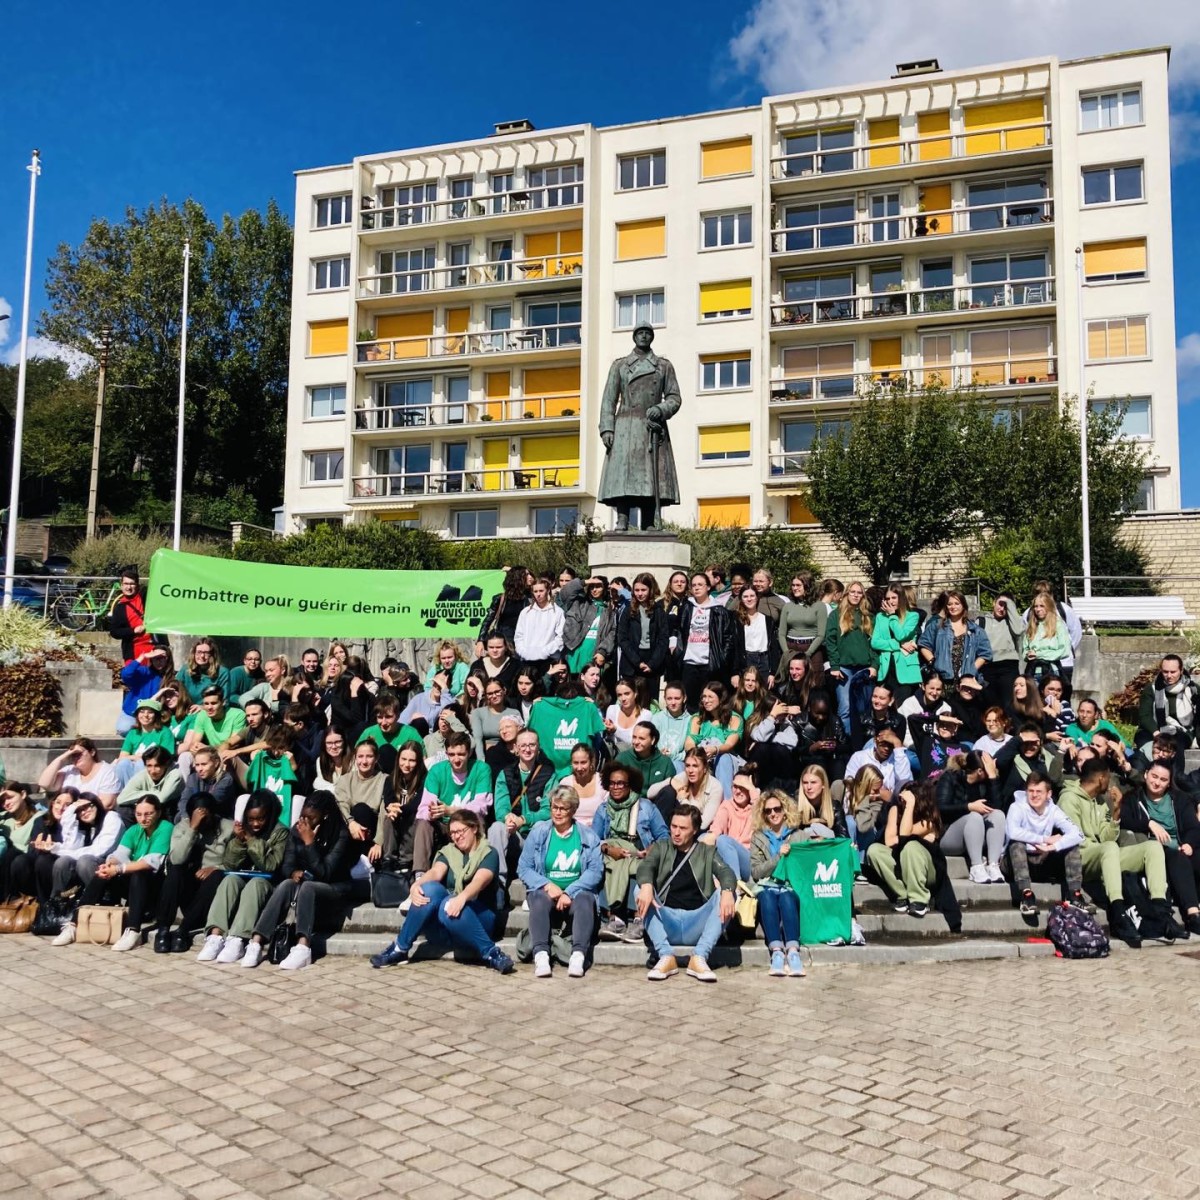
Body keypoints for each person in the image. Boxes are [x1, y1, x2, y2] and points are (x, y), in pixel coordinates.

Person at [370, 809, 514, 973]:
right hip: (447, 921)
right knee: (429, 889)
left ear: (474, 828)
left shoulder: (488, 853)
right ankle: (400, 949)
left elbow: (480, 881)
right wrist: (416, 885)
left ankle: (491, 953)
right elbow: (436, 872)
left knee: (448, 903)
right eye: (452, 833)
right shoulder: (449, 852)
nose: (456, 837)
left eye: (460, 831)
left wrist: (462, 898)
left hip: (480, 920)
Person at [1058, 759, 1174, 947]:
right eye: (1109, 778)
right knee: (1110, 848)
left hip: (1104, 854)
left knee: (1152, 847)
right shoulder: (1069, 799)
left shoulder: (1101, 801)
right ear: (1101, 778)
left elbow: (1107, 837)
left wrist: (1117, 810)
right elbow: (1073, 839)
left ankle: (1161, 911)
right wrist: (1103, 846)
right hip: (1080, 857)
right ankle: (1118, 911)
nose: (1111, 783)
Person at [244, 793, 357, 970]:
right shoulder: (296, 830)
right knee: (286, 884)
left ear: (325, 815)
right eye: (302, 816)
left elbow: (325, 873)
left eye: (310, 818)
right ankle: (256, 942)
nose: (304, 821)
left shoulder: (340, 834)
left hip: (334, 887)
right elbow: (286, 864)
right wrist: (293, 872)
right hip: (305, 883)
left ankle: (303, 947)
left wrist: (310, 843)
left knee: (308, 887)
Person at [635, 804, 737, 983]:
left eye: (683, 828)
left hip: (697, 922)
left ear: (695, 830)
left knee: (727, 893)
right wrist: (646, 885)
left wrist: (728, 890)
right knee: (640, 888)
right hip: (667, 919)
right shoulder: (661, 847)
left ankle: (699, 957)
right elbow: (646, 866)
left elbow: (726, 873)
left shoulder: (707, 851)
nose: (676, 832)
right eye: (674, 827)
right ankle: (666, 956)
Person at [598, 323, 681, 531]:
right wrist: (607, 428)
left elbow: (674, 397)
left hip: (651, 427)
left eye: (647, 333)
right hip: (625, 426)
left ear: (652, 337)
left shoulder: (663, 366)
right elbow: (609, 399)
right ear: (634, 337)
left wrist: (661, 409)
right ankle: (622, 519)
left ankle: (649, 521)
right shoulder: (620, 366)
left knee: (650, 477)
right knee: (623, 476)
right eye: (640, 333)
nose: (644, 337)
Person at [64, 796, 173, 951]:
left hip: (155, 885)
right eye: (139, 814)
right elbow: (120, 854)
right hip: (133, 885)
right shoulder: (134, 830)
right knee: (101, 874)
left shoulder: (165, 828)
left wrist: (118, 869)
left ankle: (133, 930)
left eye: (148, 814)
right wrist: (109, 865)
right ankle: (75, 923)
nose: (143, 819)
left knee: (139, 873)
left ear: (158, 812)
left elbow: (151, 862)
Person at [518, 785, 604, 978]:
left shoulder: (588, 836)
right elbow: (523, 868)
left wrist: (569, 892)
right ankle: (541, 955)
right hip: (547, 893)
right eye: (554, 807)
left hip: (574, 895)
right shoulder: (539, 832)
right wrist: (547, 885)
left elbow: (595, 871)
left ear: (573, 810)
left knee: (585, 899)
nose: (557, 812)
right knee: (538, 898)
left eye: (563, 808)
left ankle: (578, 955)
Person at [195, 791, 289, 964]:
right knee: (229, 880)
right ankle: (215, 937)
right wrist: (238, 842)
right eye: (251, 819)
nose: (255, 824)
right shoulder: (241, 829)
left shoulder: (280, 832)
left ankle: (238, 939)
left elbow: (270, 865)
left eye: (260, 819)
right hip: (242, 876)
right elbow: (230, 864)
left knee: (255, 884)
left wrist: (251, 840)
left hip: (268, 882)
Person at [863, 783, 961, 929]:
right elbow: (890, 841)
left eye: (907, 798)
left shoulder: (930, 817)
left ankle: (919, 900)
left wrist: (910, 807)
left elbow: (903, 836)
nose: (902, 800)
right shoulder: (895, 810)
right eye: (902, 797)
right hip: (902, 865)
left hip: (928, 871)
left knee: (911, 846)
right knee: (875, 849)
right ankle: (902, 895)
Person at [1120, 762, 1200, 936]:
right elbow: (1125, 821)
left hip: (1180, 846)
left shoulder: (1179, 799)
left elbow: (1194, 827)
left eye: (1163, 780)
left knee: (1191, 857)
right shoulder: (1133, 798)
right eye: (1154, 776)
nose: (1157, 783)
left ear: (1169, 782)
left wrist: (1188, 843)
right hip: (1154, 849)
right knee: (1178, 859)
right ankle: (1193, 914)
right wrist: (1148, 823)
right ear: (1146, 774)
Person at [594, 763, 668, 941]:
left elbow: (663, 835)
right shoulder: (603, 809)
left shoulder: (646, 807)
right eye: (612, 783)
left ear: (630, 785)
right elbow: (594, 840)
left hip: (639, 852)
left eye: (621, 783)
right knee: (604, 865)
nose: (616, 787)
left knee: (636, 867)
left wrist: (652, 848)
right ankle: (614, 919)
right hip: (613, 853)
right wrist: (608, 849)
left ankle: (638, 918)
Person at [153, 792, 233, 953]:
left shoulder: (229, 828)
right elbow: (176, 858)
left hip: (211, 896)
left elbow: (238, 863)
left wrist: (217, 868)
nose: (203, 821)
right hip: (189, 891)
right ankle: (163, 929)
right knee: (175, 871)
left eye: (206, 817)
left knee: (217, 876)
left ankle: (183, 930)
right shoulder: (183, 827)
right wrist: (193, 829)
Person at [1005, 772, 1085, 916]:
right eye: (1031, 791)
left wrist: (1053, 846)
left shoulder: (1053, 810)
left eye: (1039, 791)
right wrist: (1044, 839)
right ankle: (1026, 896)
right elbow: (1013, 832)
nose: (1034, 795)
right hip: (1014, 862)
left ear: (1049, 794)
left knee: (1071, 846)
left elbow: (1077, 834)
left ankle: (1074, 894)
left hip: (1042, 859)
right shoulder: (1017, 807)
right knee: (1017, 844)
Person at [411, 732, 493, 873]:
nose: (456, 759)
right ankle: (420, 873)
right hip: (442, 824)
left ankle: (472, 869)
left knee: (478, 819)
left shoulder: (481, 769)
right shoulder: (437, 771)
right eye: (451, 754)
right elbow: (423, 809)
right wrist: (432, 812)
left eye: (461, 754)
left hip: (468, 824)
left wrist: (452, 810)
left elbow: (481, 806)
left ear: (469, 753)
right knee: (423, 823)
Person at [749, 789, 808, 977]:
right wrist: (777, 857)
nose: (773, 813)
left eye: (777, 809)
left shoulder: (799, 835)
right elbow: (756, 872)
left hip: (791, 885)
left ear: (785, 810)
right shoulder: (758, 837)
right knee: (766, 897)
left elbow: (811, 860)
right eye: (768, 811)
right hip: (767, 884)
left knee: (786, 898)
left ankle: (792, 952)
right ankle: (776, 952)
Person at [489, 729, 556, 887]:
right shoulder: (505, 774)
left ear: (538, 747)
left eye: (532, 745)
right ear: (516, 749)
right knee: (497, 827)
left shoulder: (549, 774)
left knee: (542, 826)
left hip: (535, 834)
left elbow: (548, 811)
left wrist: (524, 820)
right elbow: (500, 808)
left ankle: (537, 886)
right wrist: (509, 819)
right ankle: (497, 885)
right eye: (523, 745)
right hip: (514, 837)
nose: (527, 749)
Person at [935, 749, 1006, 883]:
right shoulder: (951, 777)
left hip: (976, 836)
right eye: (990, 769)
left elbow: (997, 807)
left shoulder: (986, 782)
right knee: (974, 816)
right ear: (979, 771)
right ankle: (976, 867)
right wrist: (968, 806)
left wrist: (992, 779)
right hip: (948, 836)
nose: (994, 772)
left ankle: (993, 865)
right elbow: (940, 808)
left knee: (998, 815)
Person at [824, 581, 878, 739]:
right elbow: (831, 640)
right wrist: (835, 665)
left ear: (863, 596)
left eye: (859, 592)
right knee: (845, 708)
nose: (855, 595)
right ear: (846, 594)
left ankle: (863, 741)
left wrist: (874, 665)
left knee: (864, 708)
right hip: (844, 669)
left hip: (864, 668)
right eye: (852, 592)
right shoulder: (836, 615)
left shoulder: (869, 616)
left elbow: (874, 643)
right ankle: (845, 742)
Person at [677, 572, 735, 709]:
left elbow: (728, 638)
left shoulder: (719, 611)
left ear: (708, 587)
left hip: (710, 665)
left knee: (709, 703)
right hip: (689, 663)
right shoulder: (686, 607)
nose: (696, 588)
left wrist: (722, 658)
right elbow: (678, 629)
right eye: (694, 585)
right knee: (690, 703)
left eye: (700, 585)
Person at [334, 739, 395, 860]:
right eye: (360, 756)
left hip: (372, 831)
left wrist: (379, 842)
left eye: (369, 756)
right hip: (349, 829)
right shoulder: (345, 779)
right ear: (355, 758)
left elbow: (384, 811)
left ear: (376, 758)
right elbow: (341, 805)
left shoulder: (385, 779)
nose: (364, 761)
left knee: (362, 810)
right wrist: (351, 823)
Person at [526, 682, 605, 771]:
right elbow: (598, 742)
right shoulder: (539, 707)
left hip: (560, 771)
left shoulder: (588, 708)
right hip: (576, 771)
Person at [701, 764, 759, 882]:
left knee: (723, 840)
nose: (738, 791)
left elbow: (762, 815)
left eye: (743, 787)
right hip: (728, 857)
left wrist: (753, 790)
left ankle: (733, 885)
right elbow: (718, 823)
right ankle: (734, 885)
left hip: (750, 861)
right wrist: (712, 834)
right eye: (735, 786)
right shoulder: (727, 805)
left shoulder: (756, 808)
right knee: (706, 838)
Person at [685, 682, 744, 797]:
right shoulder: (697, 718)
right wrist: (699, 753)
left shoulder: (734, 718)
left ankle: (726, 803)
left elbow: (729, 744)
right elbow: (689, 742)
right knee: (679, 763)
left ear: (721, 698)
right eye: (704, 697)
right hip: (700, 755)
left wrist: (715, 749)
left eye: (710, 697)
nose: (706, 701)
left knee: (723, 758)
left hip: (724, 756)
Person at [617, 573, 668, 700]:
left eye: (643, 590)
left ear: (650, 590)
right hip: (631, 663)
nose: (640, 594)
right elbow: (622, 638)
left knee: (649, 702)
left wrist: (652, 663)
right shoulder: (628, 610)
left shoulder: (659, 611)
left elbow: (663, 639)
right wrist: (637, 662)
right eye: (637, 590)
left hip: (651, 664)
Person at [1136, 654, 1200, 753]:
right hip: (1155, 729)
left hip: (1182, 731)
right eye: (1165, 672)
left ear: (1181, 671)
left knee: (1175, 744)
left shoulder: (1193, 689)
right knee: (1145, 743)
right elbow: (1145, 715)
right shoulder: (1151, 688)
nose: (1169, 676)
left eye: (1173, 672)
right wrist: (1156, 733)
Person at [871, 586, 921, 704]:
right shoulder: (880, 617)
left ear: (902, 598)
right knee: (885, 706)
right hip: (886, 669)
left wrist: (892, 616)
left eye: (894, 597)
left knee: (902, 707)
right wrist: (899, 645)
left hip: (906, 670)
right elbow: (875, 642)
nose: (890, 601)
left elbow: (901, 635)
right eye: (887, 598)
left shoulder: (912, 616)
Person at [37, 739, 120, 812]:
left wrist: (75, 810)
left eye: (79, 753)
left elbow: (106, 804)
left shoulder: (107, 772)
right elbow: (44, 783)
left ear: (92, 752)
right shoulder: (69, 770)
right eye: (73, 755)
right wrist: (63, 757)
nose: (76, 757)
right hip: (66, 816)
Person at [113, 697, 177, 787]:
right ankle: (127, 794)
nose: (145, 715)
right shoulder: (133, 733)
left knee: (140, 763)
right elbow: (122, 757)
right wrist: (137, 757)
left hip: (154, 770)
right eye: (142, 712)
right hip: (133, 767)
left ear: (156, 715)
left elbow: (165, 757)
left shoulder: (165, 732)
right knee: (123, 764)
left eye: (150, 712)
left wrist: (140, 758)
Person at [561, 575, 617, 676]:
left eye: (598, 586)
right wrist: (584, 582)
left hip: (593, 654)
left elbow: (612, 633)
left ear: (605, 589)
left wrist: (603, 651)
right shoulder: (579, 602)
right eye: (592, 586)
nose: (594, 589)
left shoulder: (609, 610)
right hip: (573, 652)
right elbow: (564, 593)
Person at [108, 566, 162, 664]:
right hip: (133, 653)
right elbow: (114, 632)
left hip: (155, 649)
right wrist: (133, 630)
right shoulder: (120, 608)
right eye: (126, 584)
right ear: (121, 585)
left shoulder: (145, 596)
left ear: (137, 585)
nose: (128, 587)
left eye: (132, 584)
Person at [615, 721, 676, 808]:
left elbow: (672, 787)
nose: (636, 742)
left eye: (641, 738)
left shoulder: (664, 762)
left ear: (653, 740)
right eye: (634, 737)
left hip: (656, 807)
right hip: (628, 804)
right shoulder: (622, 759)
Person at [778, 572, 828, 677]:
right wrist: (787, 653)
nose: (795, 588)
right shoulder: (788, 606)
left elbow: (821, 635)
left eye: (798, 585)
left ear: (808, 586)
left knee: (814, 684)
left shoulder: (819, 606)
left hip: (811, 649)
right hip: (791, 649)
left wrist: (807, 654)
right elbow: (781, 633)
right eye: (793, 585)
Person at [978, 595, 1025, 707]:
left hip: (1008, 665)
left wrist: (1010, 605)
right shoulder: (982, 621)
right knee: (990, 704)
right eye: (1000, 604)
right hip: (988, 665)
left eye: (1006, 606)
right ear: (994, 603)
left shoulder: (1013, 622)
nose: (1002, 608)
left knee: (1009, 704)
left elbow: (1018, 631)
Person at [514, 578, 566, 678]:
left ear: (548, 591)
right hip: (527, 661)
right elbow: (518, 636)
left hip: (548, 660)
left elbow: (560, 637)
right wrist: (523, 652)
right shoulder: (525, 612)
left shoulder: (558, 612)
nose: (538, 594)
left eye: (541, 591)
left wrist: (545, 651)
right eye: (535, 591)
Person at [116, 647, 174, 737]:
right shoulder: (144, 671)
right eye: (155, 657)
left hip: (155, 716)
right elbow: (126, 674)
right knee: (124, 729)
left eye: (162, 657)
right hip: (132, 713)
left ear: (168, 659)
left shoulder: (171, 678)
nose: (158, 660)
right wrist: (142, 657)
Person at [730, 585, 778, 692]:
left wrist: (773, 672)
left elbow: (774, 648)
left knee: (764, 695)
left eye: (752, 595)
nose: (749, 599)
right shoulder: (736, 620)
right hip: (746, 661)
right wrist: (735, 672)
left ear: (757, 597)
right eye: (745, 596)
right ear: (741, 599)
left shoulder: (768, 620)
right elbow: (734, 648)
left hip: (764, 661)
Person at [115, 745, 184, 818]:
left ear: (166, 764)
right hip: (148, 809)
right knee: (123, 809)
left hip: (168, 811)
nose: (153, 771)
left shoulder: (175, 774)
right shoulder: (142, 775)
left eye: (157, 766)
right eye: (149, 766)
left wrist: (138, 794)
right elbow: (120, 799)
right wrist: (148, 793)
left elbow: (162, 798)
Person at [180, 686, 248, 759]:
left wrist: (208, 749)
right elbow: (194, 743)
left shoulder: (238, 715)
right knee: (185, 756)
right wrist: (195, 748)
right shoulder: (202, 715)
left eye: (213, 703)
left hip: (231, 756)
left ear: (223, 702)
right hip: (209, 756)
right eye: (206, 704)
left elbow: (232, 745)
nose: (209, 707)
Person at [477, 564, 531, 654]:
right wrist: (480, 641)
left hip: (524, 642)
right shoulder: (501, 598)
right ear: (519, 578)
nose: (530, 577)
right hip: (505, 643)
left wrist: (511, 569)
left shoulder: (530, 597)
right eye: (527, 574)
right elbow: (488, 620)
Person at [551, 743, 608, 828]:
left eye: (583, 762)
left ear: (591, 762)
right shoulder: (565, 783)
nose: (579, 768)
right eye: (576, 763)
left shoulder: (602, 782)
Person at [843, 731, 913, 799]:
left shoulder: (899, 758)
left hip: (889, 805)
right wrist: (879, 794)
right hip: (863, 802)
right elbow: (849, 786)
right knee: (838, 785)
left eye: (891, 745)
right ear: (875, 741)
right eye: (883, 744)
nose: (887, 748)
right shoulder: (859, 757)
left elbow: (905, 783)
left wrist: (897, 745)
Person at [1021, 593, 1071, 687]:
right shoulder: (1031, 626)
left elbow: (1064, 650)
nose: (1038, 609)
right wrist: (1027, 655)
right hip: (1033, 670)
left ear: (1049, 607)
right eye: (1035, 606)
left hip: (1051, 670)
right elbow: (1025, 649)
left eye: (1042, 606)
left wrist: (1039, 654)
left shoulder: (1058, 624)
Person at [468, 681, 521, 761]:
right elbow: (477, 739)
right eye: (490, 694)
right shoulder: (478, 713)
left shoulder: (514, 712)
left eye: (497, 692)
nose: (494, 696)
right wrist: (481, 761)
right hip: (488, 755)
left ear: (504, 690)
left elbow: (520, 736)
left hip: (511, 754)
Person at [176, 640, 231, 707]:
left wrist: (203, 708)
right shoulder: (185, 670)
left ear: (213, 655)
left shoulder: (222, 672)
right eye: (199, 652)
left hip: (210, 711)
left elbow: (225, 701)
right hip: (187, 710)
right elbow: (175, 689)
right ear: (194, 654)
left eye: (206, 653)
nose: (202, 656)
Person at [650, 682, 692, 763]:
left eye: (677, 698)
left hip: (680, 762)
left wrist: (674, 756)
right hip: (657, 760)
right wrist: (658, 754)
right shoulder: (656, 718)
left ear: (684, 698)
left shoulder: (690, 720)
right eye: (669, 698)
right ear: (664, 698)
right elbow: (650, 744)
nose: (673, 703)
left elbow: (690, 751)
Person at [469, 633, 520, 698]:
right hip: (481, 706)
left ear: (506, 647)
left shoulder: (516, 665)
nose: (495, 650)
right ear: (486, 648)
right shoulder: (477, 665)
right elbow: (468, 688)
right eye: (491, 647)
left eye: (499, 647)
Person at [313, 728, 353, 794]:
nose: (334, 747)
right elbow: (320, 784)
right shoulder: (320, 760)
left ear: (344, 742)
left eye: (338, 742)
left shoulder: (354, 760)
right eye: (329, 743)